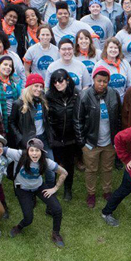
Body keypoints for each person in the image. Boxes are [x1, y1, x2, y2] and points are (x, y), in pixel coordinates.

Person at [6, 138, 69, 248]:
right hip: (23, 189)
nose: (34, 153)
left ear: (42, 152)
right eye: (32, 150)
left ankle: (56, 234)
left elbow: (64, 172)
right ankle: (19, 226)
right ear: (27, 150)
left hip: (39, 187)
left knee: (57, 209)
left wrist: (54, 188)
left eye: (37, 150)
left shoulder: (45, 161)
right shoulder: (19, 155)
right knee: (28, 218)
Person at [76, 68, 122, 208]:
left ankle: (107, 191)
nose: (102, 84)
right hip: (91, 142)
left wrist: (117, 139)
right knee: (91, 170)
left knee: (107, 168)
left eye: (105, 81)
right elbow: (77, 120)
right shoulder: (84, 95)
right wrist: (82, 142)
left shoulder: (114, 94)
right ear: (93, 80)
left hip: (109, 141)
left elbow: (119, 117)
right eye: (99, 81)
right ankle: (91, 193)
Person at [45, 69, 80, 200]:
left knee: (69, 164)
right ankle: (52, 187)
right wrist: (51, 136)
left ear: (67, 80)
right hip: (56, 137)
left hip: (71, 138)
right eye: (54, 82)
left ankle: (68, 190)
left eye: (60, 81)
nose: (58, 84)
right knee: (55, 164)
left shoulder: (76, 94)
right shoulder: (49, 96)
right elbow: (46, 118)